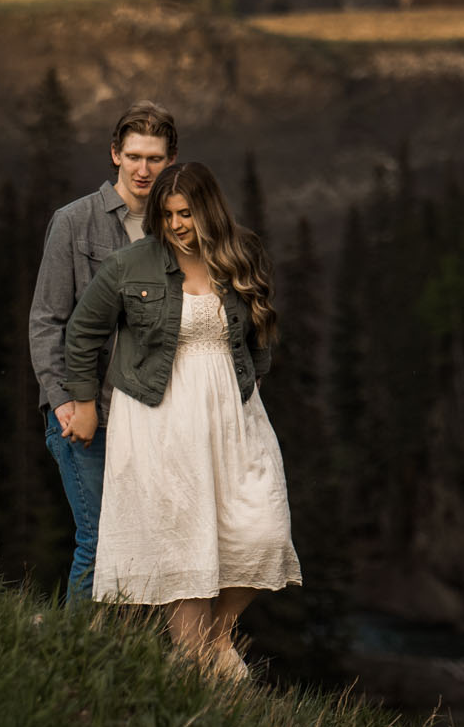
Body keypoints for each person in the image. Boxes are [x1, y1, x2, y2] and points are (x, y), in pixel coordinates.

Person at [59, 162, 300, 678]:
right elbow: (81, 333)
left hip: (233, 411)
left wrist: (254, 377)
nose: (176, 225)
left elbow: (259, 330)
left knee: (263, 530)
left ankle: (214, 638)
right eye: (167, 215)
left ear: (208, 209)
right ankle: (195, 670)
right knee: (184, 542)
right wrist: (82, 402)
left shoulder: (241, 253)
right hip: (159, 417)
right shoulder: (131, 265)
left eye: (186, 213)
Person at [28, 100, 177, 601]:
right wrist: (63, 398)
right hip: (84, 410)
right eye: (134, 156)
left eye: (154, 158)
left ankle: (118, 661)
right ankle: (76, 661)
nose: (143, 169)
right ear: (115, 154)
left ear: (170, 161)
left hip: (148, 414)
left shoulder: (175, 228)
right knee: (100, 541)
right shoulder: (75, 222)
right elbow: (48, 319)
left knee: (144, 547)